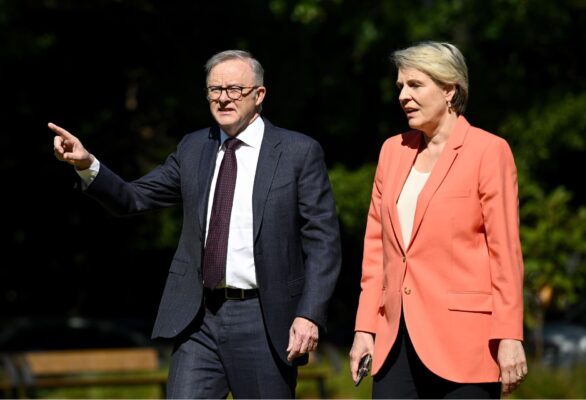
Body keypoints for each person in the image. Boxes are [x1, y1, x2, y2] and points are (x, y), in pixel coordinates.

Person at [49, 49, 341, 399]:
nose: (223, 98)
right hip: (198, 320)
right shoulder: (193, 149)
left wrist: (309, 314)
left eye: (234, 89)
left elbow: (323, 242)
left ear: (259, 95)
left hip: (264, 319)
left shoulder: (297, 152)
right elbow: (133, 198)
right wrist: (87, 164)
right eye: (214, 90)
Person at [349, 41, 527, 398]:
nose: (403, 96)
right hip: (395, 342)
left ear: (450, 90)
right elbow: (375, 253)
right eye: (400, 86)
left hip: (465, 345)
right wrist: (364, 328)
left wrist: (509, 335)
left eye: (415, 85)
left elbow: (504, 254)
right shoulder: (391, 151)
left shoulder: (488, 151)